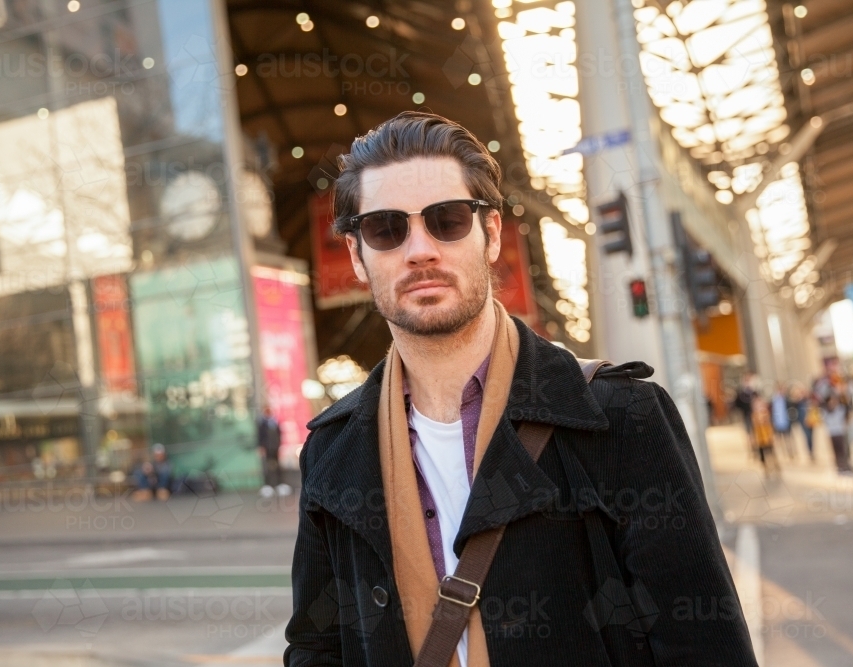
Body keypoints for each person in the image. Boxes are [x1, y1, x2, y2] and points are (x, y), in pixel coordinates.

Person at [285, 112, 756, 666]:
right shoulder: (332, 450)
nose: (419, 250)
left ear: (490, 234)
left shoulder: (619, 417)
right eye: (387, 228)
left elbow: (703, 645)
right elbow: (317, 646)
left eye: (448, 219)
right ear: (356, 256)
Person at [256, 406, 290, 497]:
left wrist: (279, 446)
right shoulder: (262, 423)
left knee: (278, 466)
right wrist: (261, 447)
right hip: (266, 449)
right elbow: (260, 436)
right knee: (267, 467)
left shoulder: (275, 422)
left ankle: (279, 484)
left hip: (275, 448)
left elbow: (279, 435)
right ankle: (268, 485)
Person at [822, 394, 853, 474]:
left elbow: (847, 417)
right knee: (836, 450)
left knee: (844, 450)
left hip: (841, 432)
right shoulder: (826, 411)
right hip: (832, 433)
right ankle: (839, 466)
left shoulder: (841, 409)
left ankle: (846, 465)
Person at [751, 396, 780, 477]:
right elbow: (753, 428)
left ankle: (776, 465)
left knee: (771, 453)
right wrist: (753, 438)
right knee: (762, 454)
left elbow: (771, 427)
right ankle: (766, 468)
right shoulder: (754, 416)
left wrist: (773, 436)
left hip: (768, 437)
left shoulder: (766, 415)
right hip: (760, 438)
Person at [770, 383, 794, 460]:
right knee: (780, 439)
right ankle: (784, 453)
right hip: (778, 422)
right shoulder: (774, 400)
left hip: (786, 421)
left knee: (788, 439)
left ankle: (790, 452)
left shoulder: (787, 399)